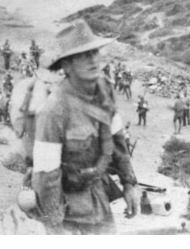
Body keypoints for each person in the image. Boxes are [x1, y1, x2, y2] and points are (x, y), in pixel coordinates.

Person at [32, 19, 131, 234]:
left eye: (94, 53)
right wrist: (55, 224)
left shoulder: (104, 89)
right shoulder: (53, 110)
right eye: (84, 55)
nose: (93, 60)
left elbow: (117, 138)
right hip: (68, 209)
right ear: (67, 65)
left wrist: (129, 183)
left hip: (99, 197)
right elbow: (46, 174)